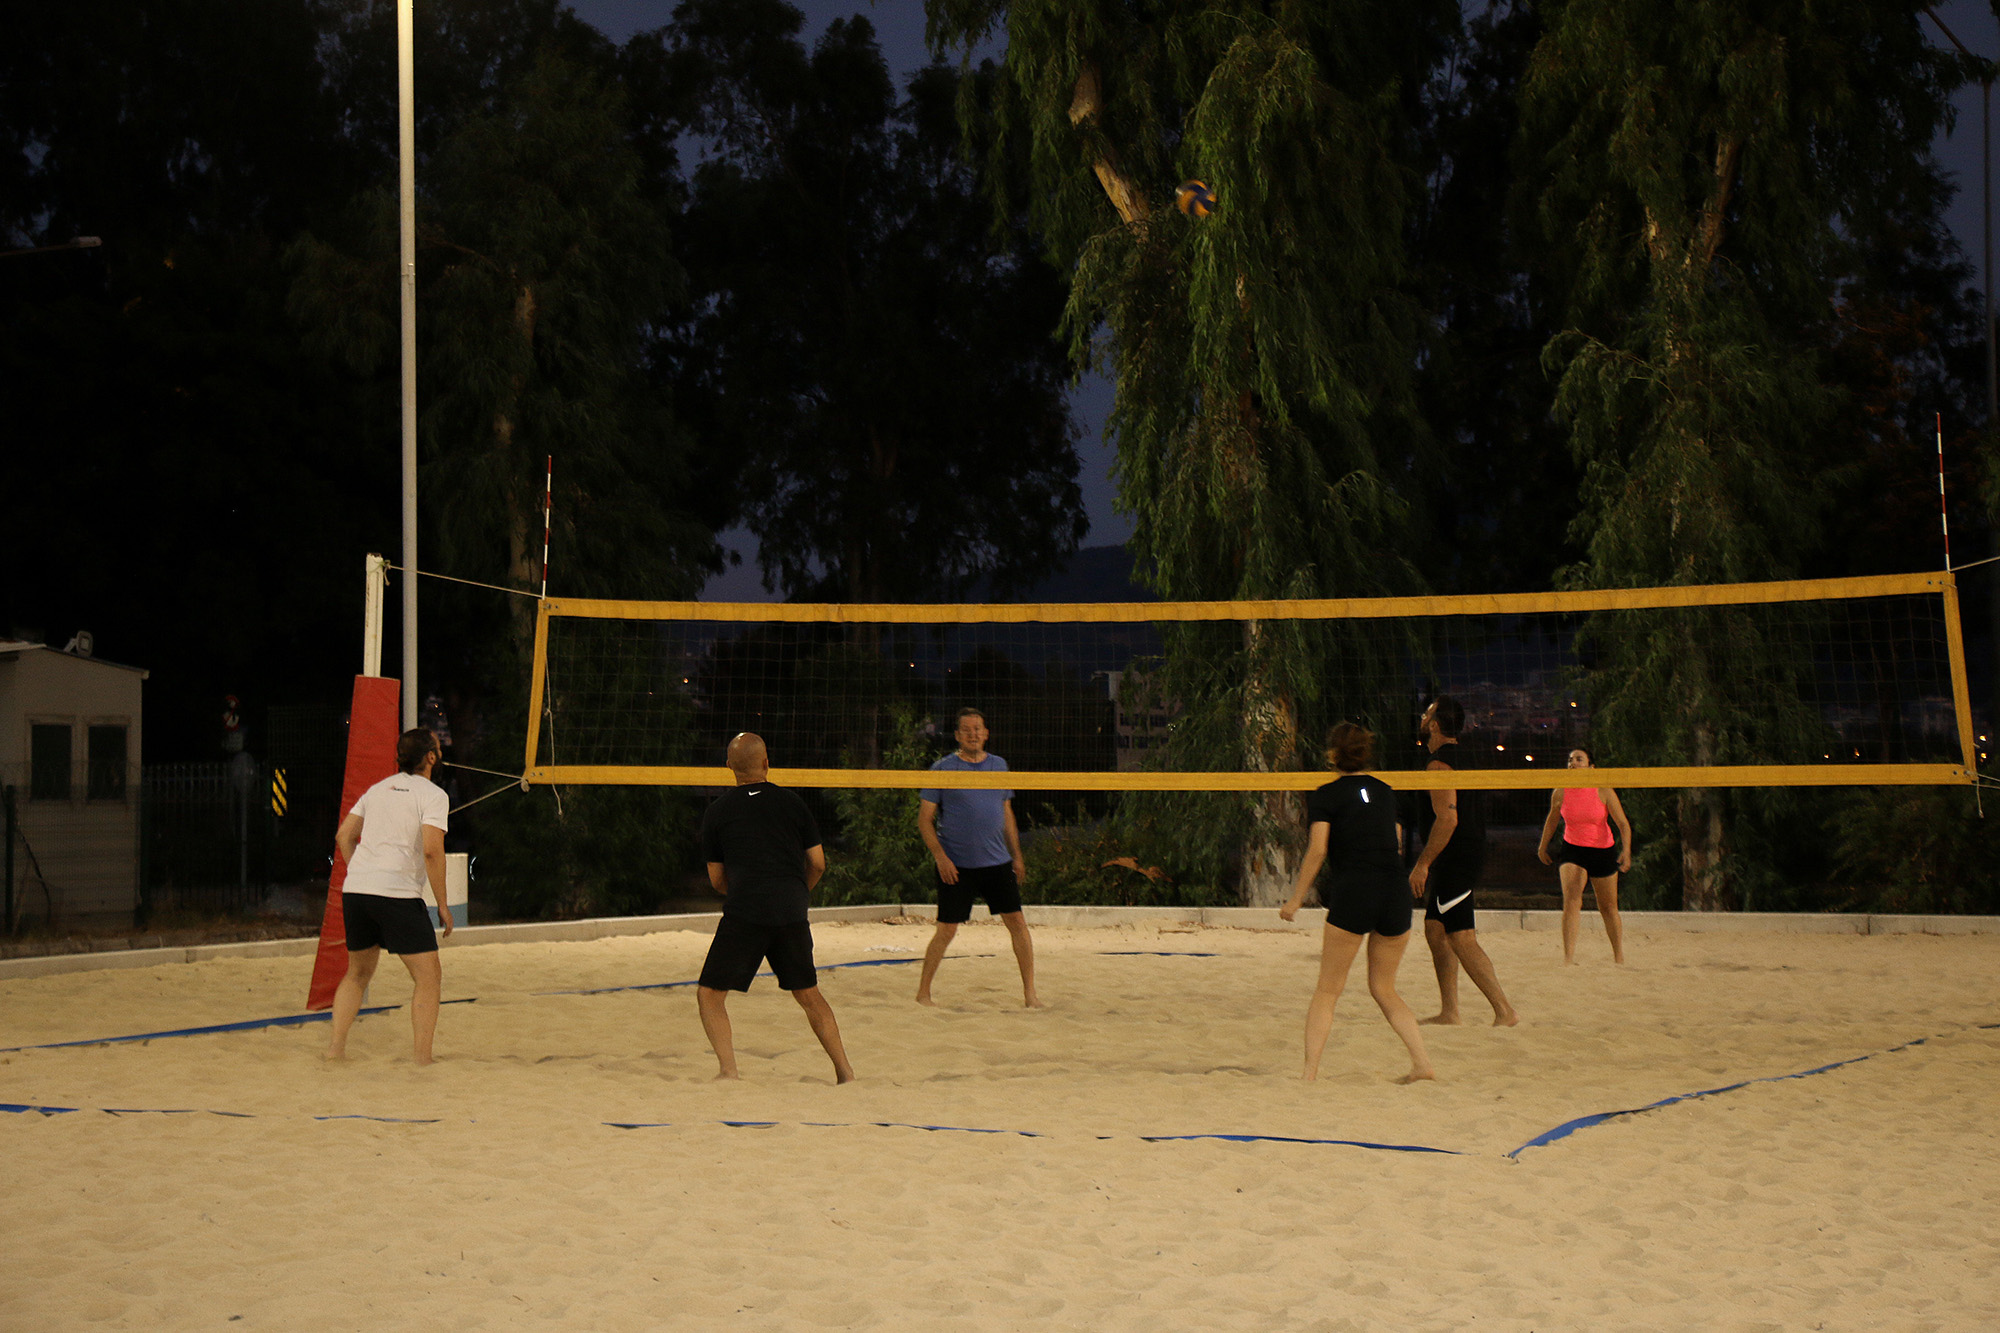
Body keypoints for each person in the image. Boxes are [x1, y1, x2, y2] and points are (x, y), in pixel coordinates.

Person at [1280, 723, 1435, 1084]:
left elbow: (1318, 850)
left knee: (1328, 989)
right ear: (1366, 752)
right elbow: (1394, 843)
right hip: (1394, 891)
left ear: (1332, 755)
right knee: (1384, 987)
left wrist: (1296, 900)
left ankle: (1309, 1073)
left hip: (1356, 889)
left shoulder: (1327, 794)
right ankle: (1422, 1063)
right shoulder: (1385, 792)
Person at [696, 733, 854, 1083]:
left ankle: (728, 1071)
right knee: (809, 995)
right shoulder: (794, 804)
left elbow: (717, 880)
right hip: (790, 909)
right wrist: (798, 893)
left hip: (746, 910)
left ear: (728, 768)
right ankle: (844, 1072)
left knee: (710, 994)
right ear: (767, 763)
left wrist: (745, 891)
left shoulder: (717, 812)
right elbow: (817, 863)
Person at [326, 728, 454, 1066]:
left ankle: (335, 1051)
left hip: (356, 891)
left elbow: (343, 836)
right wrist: (442, 904)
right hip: (395, 893)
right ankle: (422, 1059)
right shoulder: (434, 794)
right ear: (430, 757)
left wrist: (362, 872)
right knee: (428, 977)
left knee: (357, 974)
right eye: (438, 749)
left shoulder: (377, 789)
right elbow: (431, 851)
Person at [914, 707, 1041, 1008]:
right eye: (967, 729)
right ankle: (923, 993)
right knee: (946, 929)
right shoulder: (942, 769)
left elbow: (1007, 814)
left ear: (986, 733)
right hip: (956, 865)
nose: (973, 734)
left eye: (978, 728)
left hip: (996, 863)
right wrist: (940, 858)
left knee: (1018, 925)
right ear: (957, 735)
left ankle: (1030, 995)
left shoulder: (999, 766)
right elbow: (924, 820)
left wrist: (1017, 857)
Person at [1409, 696, 1520, 1027]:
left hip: (1457, 854)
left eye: (1427, 712)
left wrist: (1422, 864)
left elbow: (1448, 820)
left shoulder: (1440, 764)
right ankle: (1450, 1011)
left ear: (1436, 725)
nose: (1423, 716)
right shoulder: (1466, 755)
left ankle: (1504, 1011)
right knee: (1435, 929)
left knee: (1461, 937)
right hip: (1460, 850)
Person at [1537, 745, 1633, 964]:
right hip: (1573, 850)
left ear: (1591, 766)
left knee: (1608, 908)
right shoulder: (1561, 791)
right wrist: (1543, 846)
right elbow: (1552, 820)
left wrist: (1626, 851)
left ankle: (1618, 956)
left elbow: (1623, 824)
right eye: (1570, 760)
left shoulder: (1603, 790)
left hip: (1603, 850)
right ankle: (1568, 959)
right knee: (1571, 901)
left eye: (1579, 759)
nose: (1573, 763)